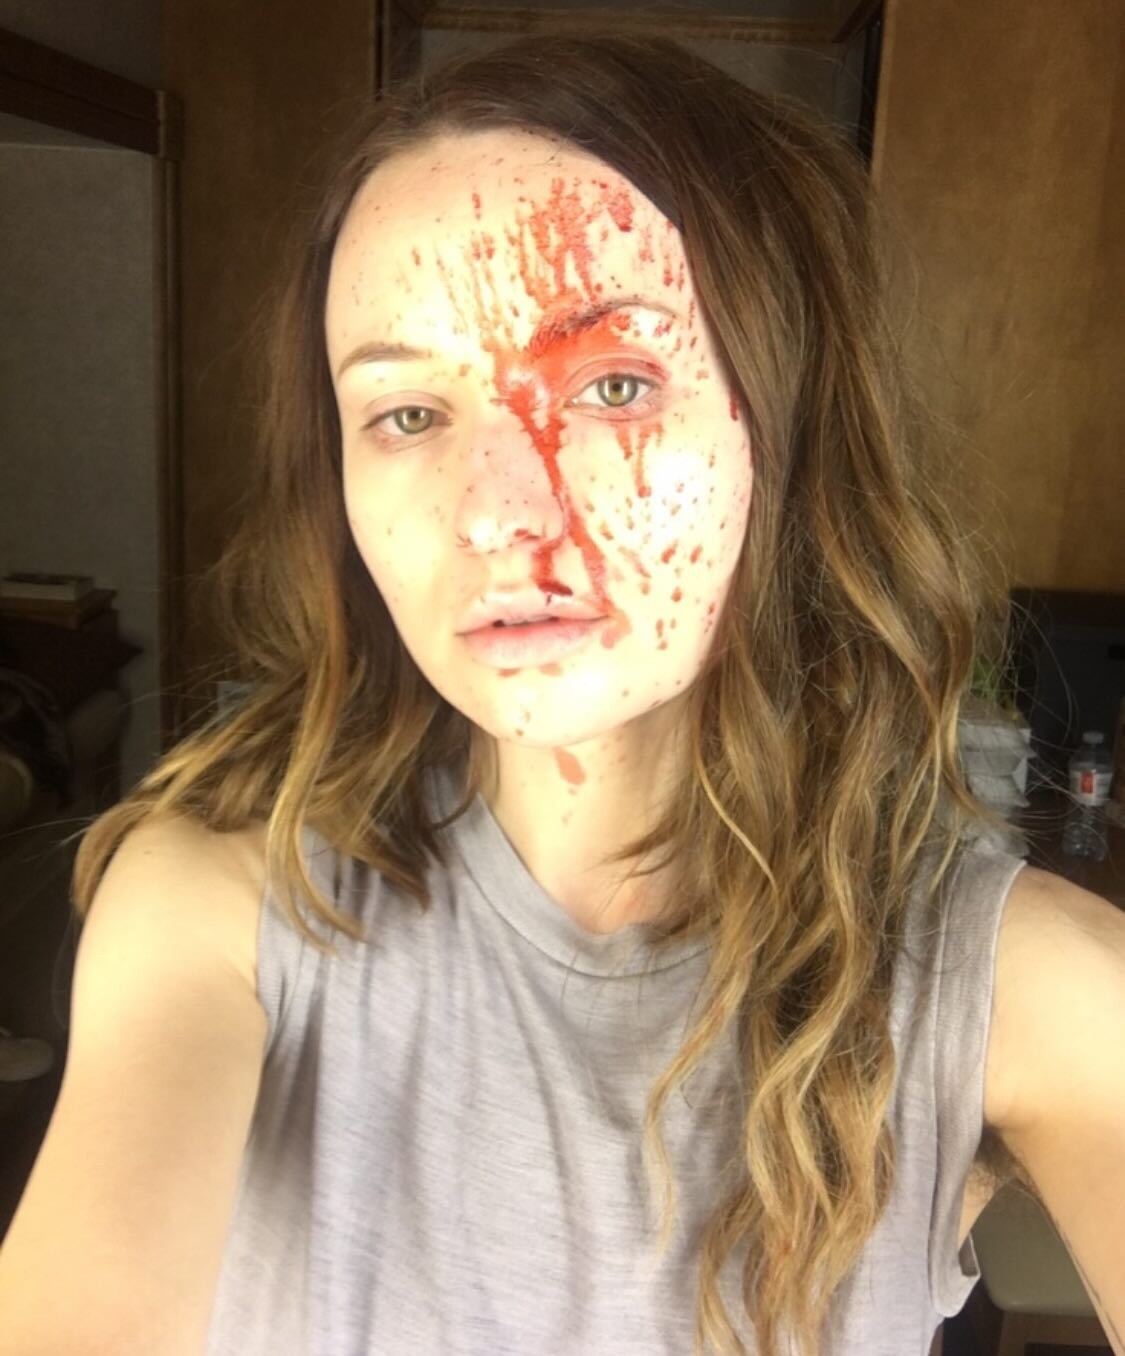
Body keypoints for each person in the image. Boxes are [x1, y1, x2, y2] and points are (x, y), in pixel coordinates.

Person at [2, 28, 1119, 1356]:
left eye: (615, 384)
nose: (495, 514)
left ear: (793, 433)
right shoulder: (219, 909)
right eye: (408, 415)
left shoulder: (1006, 983)